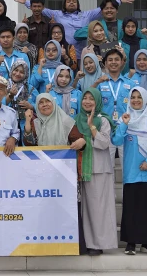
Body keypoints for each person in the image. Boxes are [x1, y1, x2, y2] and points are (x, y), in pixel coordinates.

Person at [21, 93, 87, 253]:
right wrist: (28, 122)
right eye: (41, 103)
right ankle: (46, 245)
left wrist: (82, 142)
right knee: (45, 209)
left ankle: (74, 246)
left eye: (47, 102)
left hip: (64, 174)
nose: (44, 105)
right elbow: (29, 143)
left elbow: (79, 141)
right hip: (43, 175)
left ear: (53, 103)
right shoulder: (35, 123)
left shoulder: (65, 120)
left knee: (68, 208)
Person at [112, 87, 147, 256]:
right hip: (132, 172)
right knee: (131, 208)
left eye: (139, 97)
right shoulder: (126, 119)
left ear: (145, 99)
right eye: (133, 97)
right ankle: (131, 242)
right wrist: (124, 125)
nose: (135, 100)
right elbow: (116, 140)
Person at [14, 0, 134, 56]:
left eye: (74, 1)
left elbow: (103, 8)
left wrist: (118, 1)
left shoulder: (87, 15)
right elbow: (39, 8)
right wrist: (26, 2)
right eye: (68, 1)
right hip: (62, 53)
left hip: (82, 53)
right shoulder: (57, 14)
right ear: (64, 4)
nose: (71, 3)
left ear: (77, 4)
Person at [74, 88, 118, 255]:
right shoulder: (76, 119)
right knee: (85, 209)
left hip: (99, 170)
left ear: (98, 101)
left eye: (91, 99)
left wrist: (92, 125)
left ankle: (99, 244)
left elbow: (104, 143)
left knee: (99, 209)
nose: (87, 101)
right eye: (84, 98)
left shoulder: (103, 121)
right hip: (81, 168)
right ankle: (87, 243)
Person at [94, 49, 137, 167]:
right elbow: (91, 102)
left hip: (126, 129)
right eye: (110, 60)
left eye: (117, 59)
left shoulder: (130, 84)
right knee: (107, 167)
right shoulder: (100, 83)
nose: (113, 62)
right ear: (105, 63)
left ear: (122, 62)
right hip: (106, 129)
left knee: (127, 166)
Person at [73, 0, 143, 43]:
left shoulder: (124, 24)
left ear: (117, 10)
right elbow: (77, 35)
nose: (109, 10)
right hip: (102, 59)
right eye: (106, 8)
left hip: (122, 59)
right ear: (101, 11)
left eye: (112, 8)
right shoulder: (97, 25)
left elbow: (142, 36)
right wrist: (94, 31)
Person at [5, 60, 38, 137]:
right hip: (7, 123)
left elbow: (40, 104)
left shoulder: (31, 88)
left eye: (22, 72)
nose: (17, 74)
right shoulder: (3, 86)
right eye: (16, 70)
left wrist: (31, 106)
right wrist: (10, 96)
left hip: (26, 124)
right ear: (11, 70)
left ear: (26, 74)